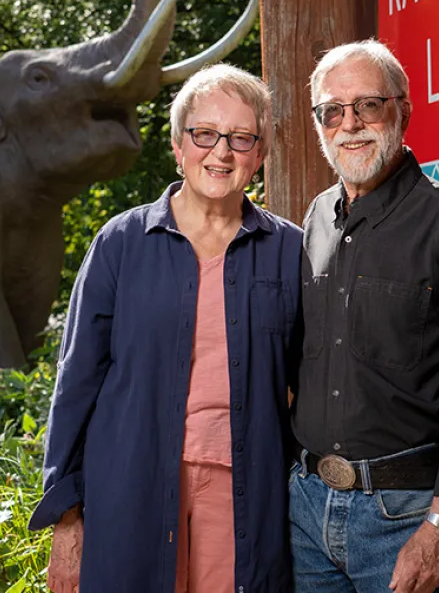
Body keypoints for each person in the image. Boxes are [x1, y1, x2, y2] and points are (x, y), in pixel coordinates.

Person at [29, 63, 301, 593]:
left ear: (260, 154)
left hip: (243, 493)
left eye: (241, 138)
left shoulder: (289, 250)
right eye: (204, 134)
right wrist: (66, 513)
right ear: (179, 146)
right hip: (133, 484)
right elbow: (77, 379)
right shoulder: (121, 243)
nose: (221, 152)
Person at [288, 40, 439, 593]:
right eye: (332, 111)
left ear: (404, 112)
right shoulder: (317, 216)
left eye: (368, 104)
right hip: (306, 512)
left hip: (403, 520)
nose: (350, 125)